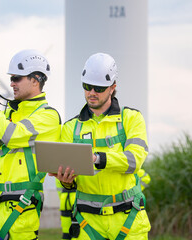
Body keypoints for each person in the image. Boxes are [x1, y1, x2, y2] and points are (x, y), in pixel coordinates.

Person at [0, 49, 61, 240]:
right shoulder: (7, 116)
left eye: (17, 78)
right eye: (11, 78)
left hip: (18, 218)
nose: (11, 83)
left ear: (36, 79)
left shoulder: (48, 116)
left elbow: (11, 135)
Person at [50, 53, 151, 240]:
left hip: (128, 219)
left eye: (99, 88)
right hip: (87, 223)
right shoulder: (70, 128)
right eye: (87, 86)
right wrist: (66, 180)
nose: (91, 92)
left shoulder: (132, 119)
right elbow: (68, 182)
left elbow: (134, 160)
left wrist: (97, 159)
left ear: (113, 88)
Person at [55, 168, 151, 240]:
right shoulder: (69, 167)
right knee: (68, 235)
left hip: (112, 209)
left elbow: (145, 178)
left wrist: (131, 195)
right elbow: (60, 187)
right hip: (74, 207)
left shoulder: (125, 164)